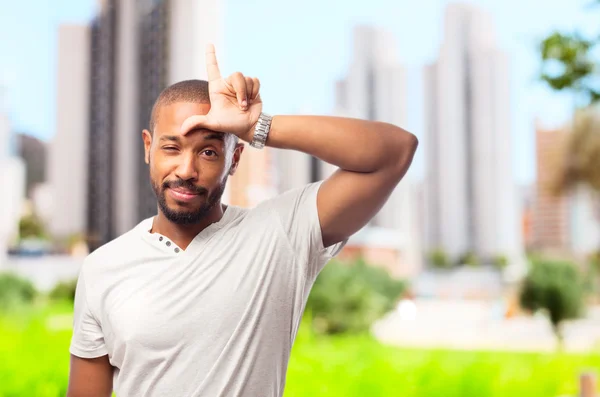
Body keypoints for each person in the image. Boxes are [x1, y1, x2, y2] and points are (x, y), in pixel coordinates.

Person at [66, 45, 418, 397]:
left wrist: (256, 126)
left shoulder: (281, 233)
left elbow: (395, 150)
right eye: (171, 148)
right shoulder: (102, 268)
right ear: (148, 147)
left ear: (234, 158)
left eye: (208, 152)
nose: (186, 170)